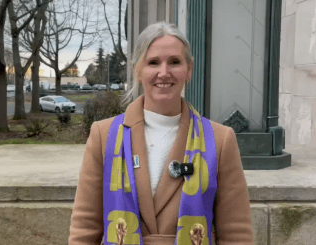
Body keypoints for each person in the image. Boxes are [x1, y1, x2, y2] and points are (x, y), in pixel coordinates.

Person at [68, 22, 254, 245]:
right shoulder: (103, 136)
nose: (164, 73)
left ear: (189, 69)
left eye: (174, 62)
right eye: (153, 62)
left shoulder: (220, 140)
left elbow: (237, 233)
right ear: (137, 70)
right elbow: (85, 228)